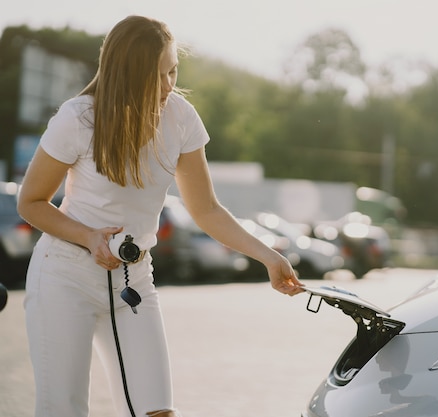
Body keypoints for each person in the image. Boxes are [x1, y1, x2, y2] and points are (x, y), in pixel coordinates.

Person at [17, 15, 303, 417]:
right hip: (64, 277)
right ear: (127, 76)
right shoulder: (78, 117)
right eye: (158, 76)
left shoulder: (182, 118)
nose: (169, 85)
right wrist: (89, 237)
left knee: (158, 411)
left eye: (174, 71)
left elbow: (205, 209)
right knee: (63, 410)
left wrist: (269, 257)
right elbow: (30, 202)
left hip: (135, 281)